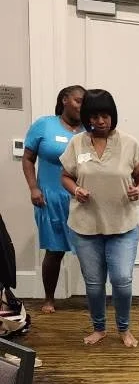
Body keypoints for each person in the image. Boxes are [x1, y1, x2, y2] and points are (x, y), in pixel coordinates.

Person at [60, 89, 139, 348]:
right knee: (94, 283)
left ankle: (124, 328)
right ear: (87, 117)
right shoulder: (77, 144)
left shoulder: (130, 143)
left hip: (122, 226)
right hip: (86, 227)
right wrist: (76, 189)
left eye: (106, 115)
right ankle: (99, 328)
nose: (101, 121)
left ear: (113, 116)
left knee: (122, 280)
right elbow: (65, 176)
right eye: (95, 116)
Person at [22, 85, 85, 312]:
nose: (82, 106)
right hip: (49, 198)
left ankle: (94, 297)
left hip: (81, 199)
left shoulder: (89, 130)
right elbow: (28, 158)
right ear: (64, 100)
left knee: (89, 250)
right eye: (78, 101)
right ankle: (49, 298)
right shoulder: (44, 125)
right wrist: (33, 188)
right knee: (54, 250)